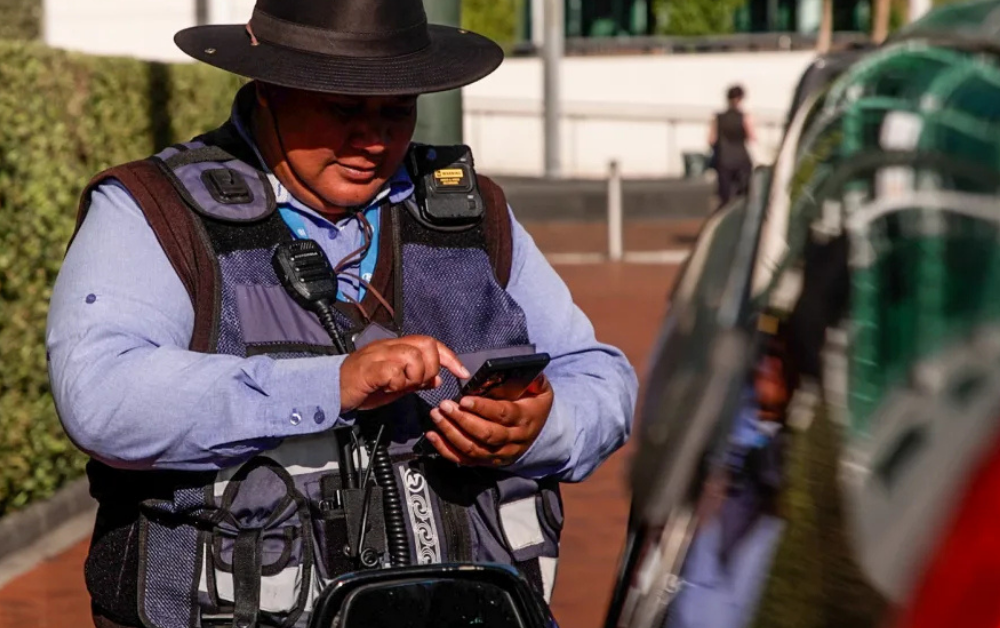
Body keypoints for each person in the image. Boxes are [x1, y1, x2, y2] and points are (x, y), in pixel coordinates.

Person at [44, 1, 638, 627]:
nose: (373, 140)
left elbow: (602, 378)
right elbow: (100, 397)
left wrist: (542, 427)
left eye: (397, 109)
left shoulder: (474, 212)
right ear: (268, 88)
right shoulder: (152, 210)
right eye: (343, 108)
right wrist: (332, 384)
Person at [709, 85, 756, 210]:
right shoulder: (744, 117)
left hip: (724, 159)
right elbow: (752, 137)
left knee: (724, 197)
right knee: (744, 195)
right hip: (741, 160)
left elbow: (711, 139)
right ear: (741, 99)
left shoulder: (718, 117)